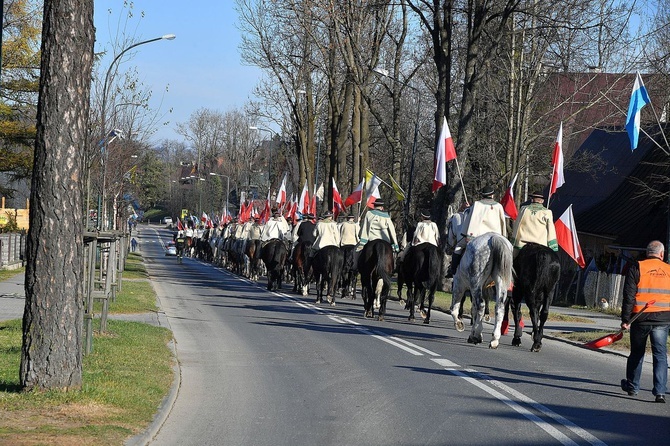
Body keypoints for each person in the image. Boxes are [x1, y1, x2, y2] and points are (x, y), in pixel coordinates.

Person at [620, 240, 670, 403]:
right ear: (662, 254)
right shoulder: (669, 270)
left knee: (637, 353)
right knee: (660, 355)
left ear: (647, 252)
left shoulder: (637, 267)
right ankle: (660, 392)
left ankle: (633, 387)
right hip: (662, 319)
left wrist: (625, 320)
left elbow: (628, 296)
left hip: (640, 318)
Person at [509, 191, 558, 256]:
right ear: (542, 201)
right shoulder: (547, 212)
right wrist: (553, 246)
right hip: (541, 244)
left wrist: (513, 240)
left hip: (522, 243)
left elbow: (517, 225)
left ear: (532, 199)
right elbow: (551, 230)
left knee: (513, 261)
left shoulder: (523, 209)